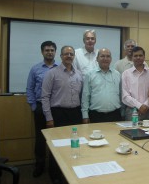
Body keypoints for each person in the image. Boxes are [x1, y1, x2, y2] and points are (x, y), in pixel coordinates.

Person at [41, 45, 83, 184]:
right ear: (61, 56)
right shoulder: (52, 73)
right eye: (66, 54)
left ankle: (71, 172)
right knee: (57, 146)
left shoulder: (79, 73)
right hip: (58, 113)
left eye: (71, 54)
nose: (69, 56)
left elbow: (81, 95)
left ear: (74, 56)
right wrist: (49, 118)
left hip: (75, 113)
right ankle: (55, 175)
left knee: (75, 144)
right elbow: (45, 97)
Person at [26, 41, 57, 178]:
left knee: (56, 138)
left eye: (52, 50)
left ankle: (54, 166)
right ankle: (39, 165)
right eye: (47, 50)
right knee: (40, 138)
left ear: (55, 52)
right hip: (39, 107)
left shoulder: (60, 68)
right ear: (42, 52)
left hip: (56, 108)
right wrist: (33, 106)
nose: (49, 52)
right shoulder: (35, 69)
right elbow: (29, 89)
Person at [82, 48, 122, 123]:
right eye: (102, 56)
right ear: (97, 59)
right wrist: (85, 115)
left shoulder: (117, 74)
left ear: (111, 59)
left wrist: (122, 113)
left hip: (115, 115)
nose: (105, 59)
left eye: (108, 56)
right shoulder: (90, 75)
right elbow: (85, 96)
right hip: (96, 116)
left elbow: (121, 95)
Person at [122, 46, 149, 121]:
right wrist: (139, 106)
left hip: (148, 110)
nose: (138, 58)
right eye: (135, 56)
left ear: (144, 57)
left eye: (140, 55)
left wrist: (145, 105)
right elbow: (125, 96)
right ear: (132, 58)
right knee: (131, 132)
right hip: (132, 111)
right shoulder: (126, 74)